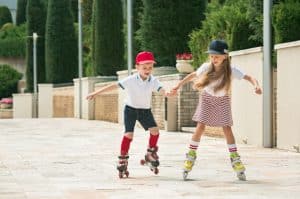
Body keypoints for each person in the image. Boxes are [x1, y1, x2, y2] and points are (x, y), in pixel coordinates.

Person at [171, 40, 262, 181]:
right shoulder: (207, 67)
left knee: (227, 128)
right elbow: (193, 75)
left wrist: (256, 85)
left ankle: (235, 158)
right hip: (207, 98)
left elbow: (249, 77)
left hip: (222, 100)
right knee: (200, 126)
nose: (214, 59)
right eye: (212, 56)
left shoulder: (231, 70)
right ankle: (190, 156)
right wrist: (178, 85)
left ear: (225, 56)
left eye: (217, 56)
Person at [86, 51, 170, 178]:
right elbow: (114, 86)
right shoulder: (131, 80)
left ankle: (150, 153)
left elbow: (161, 89)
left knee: (155, 131)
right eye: (144, 67)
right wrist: (95, 93)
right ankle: (123, 158)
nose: (147, 70)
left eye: (150, 67)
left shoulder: (153, 80)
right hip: (130, 110)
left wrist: (167, 93)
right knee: (129, 134)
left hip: (144, 111)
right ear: (137, 67)